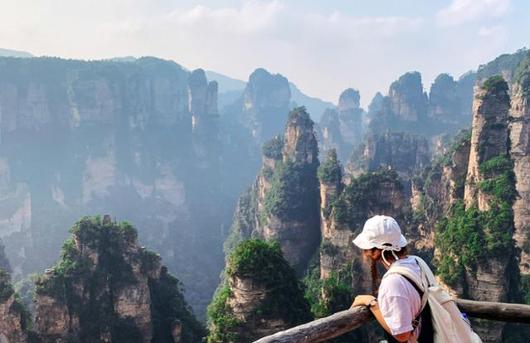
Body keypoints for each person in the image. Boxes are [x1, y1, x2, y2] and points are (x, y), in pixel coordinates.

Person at [350, 215, 433, 343]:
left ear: (377, 252)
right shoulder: (417, 262)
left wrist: (372, 303)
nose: (364, 252)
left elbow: (402, 335)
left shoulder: (393, 282)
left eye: (366, 248)